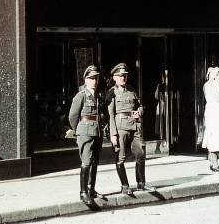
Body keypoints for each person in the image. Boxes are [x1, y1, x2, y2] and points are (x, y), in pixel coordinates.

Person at [108, 63, 156, 195]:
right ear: (114, 77)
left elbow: (140, 105)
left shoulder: (131, 89)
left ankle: (141, 184)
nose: (123, 78)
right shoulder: (111, 93)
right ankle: (124, 186)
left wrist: (139, 111)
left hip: (135, 126)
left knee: (140, 154)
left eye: (125, 76)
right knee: (120, 157)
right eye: (120, 76)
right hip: (121, 128)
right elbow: (111, 115)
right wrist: (113, 134)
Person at [68, 65, 103, 205]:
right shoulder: (81, 95)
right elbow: (73, 116)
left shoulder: (97, 96)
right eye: (91, 78)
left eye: (96, 78)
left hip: (97, 132)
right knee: (86, 161)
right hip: (85, 132)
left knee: (95, 161)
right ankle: (83, 193)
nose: (94, 81)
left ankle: (91, 189)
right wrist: (79, 131)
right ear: (85, 80)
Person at [154, 70, 168, 140]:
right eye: (163, 77)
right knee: (159, 117)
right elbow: (156, 96)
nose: (164, 78)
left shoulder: (168, 85)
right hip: (161, 103)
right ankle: (159, 133)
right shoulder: (159, 85)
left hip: (167, 104)